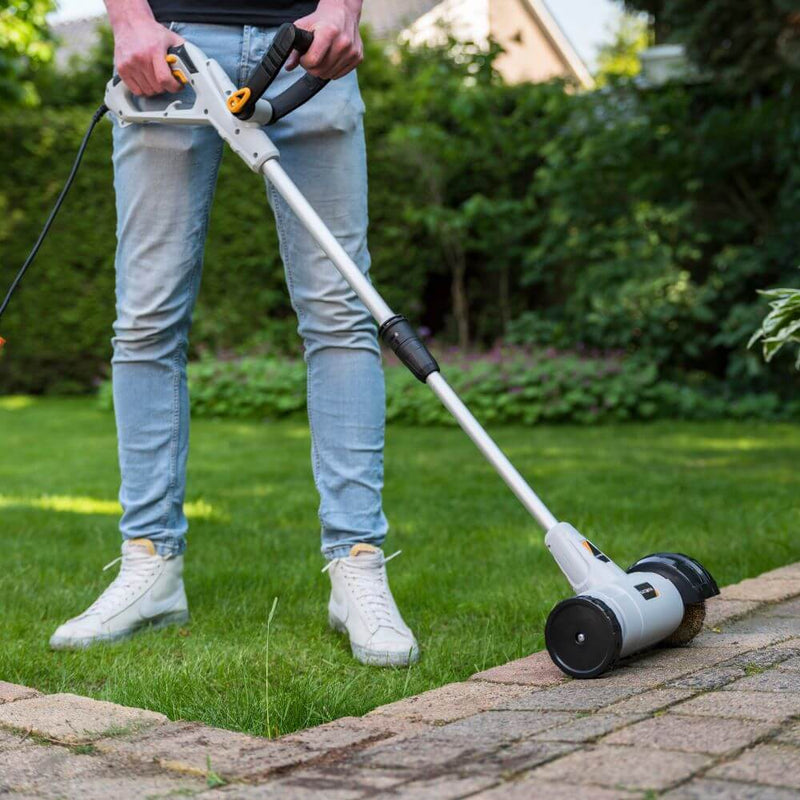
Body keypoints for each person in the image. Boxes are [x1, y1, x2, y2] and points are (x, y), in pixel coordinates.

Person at [49, 0, 419, 667]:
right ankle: (150, 567)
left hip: (308, 43)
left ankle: (358, 567)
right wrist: (129, 20)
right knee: (146, 319)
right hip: (171, 45)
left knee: (340, 315)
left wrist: (340, 11)